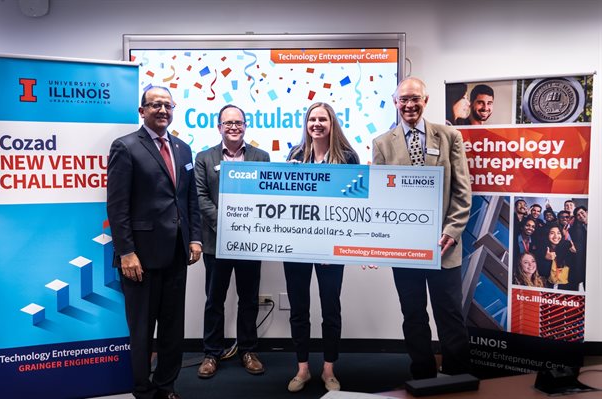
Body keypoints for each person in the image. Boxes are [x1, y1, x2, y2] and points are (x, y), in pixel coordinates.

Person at [372, 77, 472, 379]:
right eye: (403, 99)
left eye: (414, 98)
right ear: (395, 103)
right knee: (413, 315)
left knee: (450, 315)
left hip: (444, 246)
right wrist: (377, 239)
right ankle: (423, 373)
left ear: (425, 101)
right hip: (405, 250)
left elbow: (462, 192)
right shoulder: (381, 143)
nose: (409, 105)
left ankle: (457, 374)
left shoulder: (449, 135)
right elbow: (379, 197)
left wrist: (451, 232)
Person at [107, 86, 203, 399]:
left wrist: (196, 238)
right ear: (142, 110)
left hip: (177, 252)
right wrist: (126, 252)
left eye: (167, 105)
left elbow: (189, 199)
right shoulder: (126, 147)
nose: (162, 110)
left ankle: (166, 386)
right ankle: (143, 389)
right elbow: (117, 206)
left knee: (173, 329)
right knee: (142, 330)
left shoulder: (183, 148)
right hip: (141, 258)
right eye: (155, 105)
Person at [284, 102, 360, 393]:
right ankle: (302, 368)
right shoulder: (294, 156)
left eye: (322, 119)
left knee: (331, 308)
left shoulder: (348, 158)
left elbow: (354, 205)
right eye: (312, 119)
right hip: (296, 246)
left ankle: (329, 368)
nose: (316, 124)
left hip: (332, 248)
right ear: (306, 124)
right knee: (299, 308)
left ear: (332, 124)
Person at [194, 105, 270, 378]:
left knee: (248, 299)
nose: (234, 127)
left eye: (238, 122)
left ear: (246, 125)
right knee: (214, 300)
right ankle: (211, 353)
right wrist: (228, 225)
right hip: (216, 243)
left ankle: (248, 350)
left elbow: (266, 196)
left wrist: (245, 227)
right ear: (219, 127)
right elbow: (201, 198)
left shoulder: (261, 157)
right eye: (228, 123)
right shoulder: (204, 158)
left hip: (250, 244)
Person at [535, 222, 576, 290]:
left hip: (566, 287)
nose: (556, 236)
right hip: (548, 286)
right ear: (547, 235)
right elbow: (541, 273)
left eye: (558, 233)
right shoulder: (542, 249)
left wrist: (575, 253)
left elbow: (575, 270)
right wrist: (546, 259)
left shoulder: (567, 246)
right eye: (552, 233)